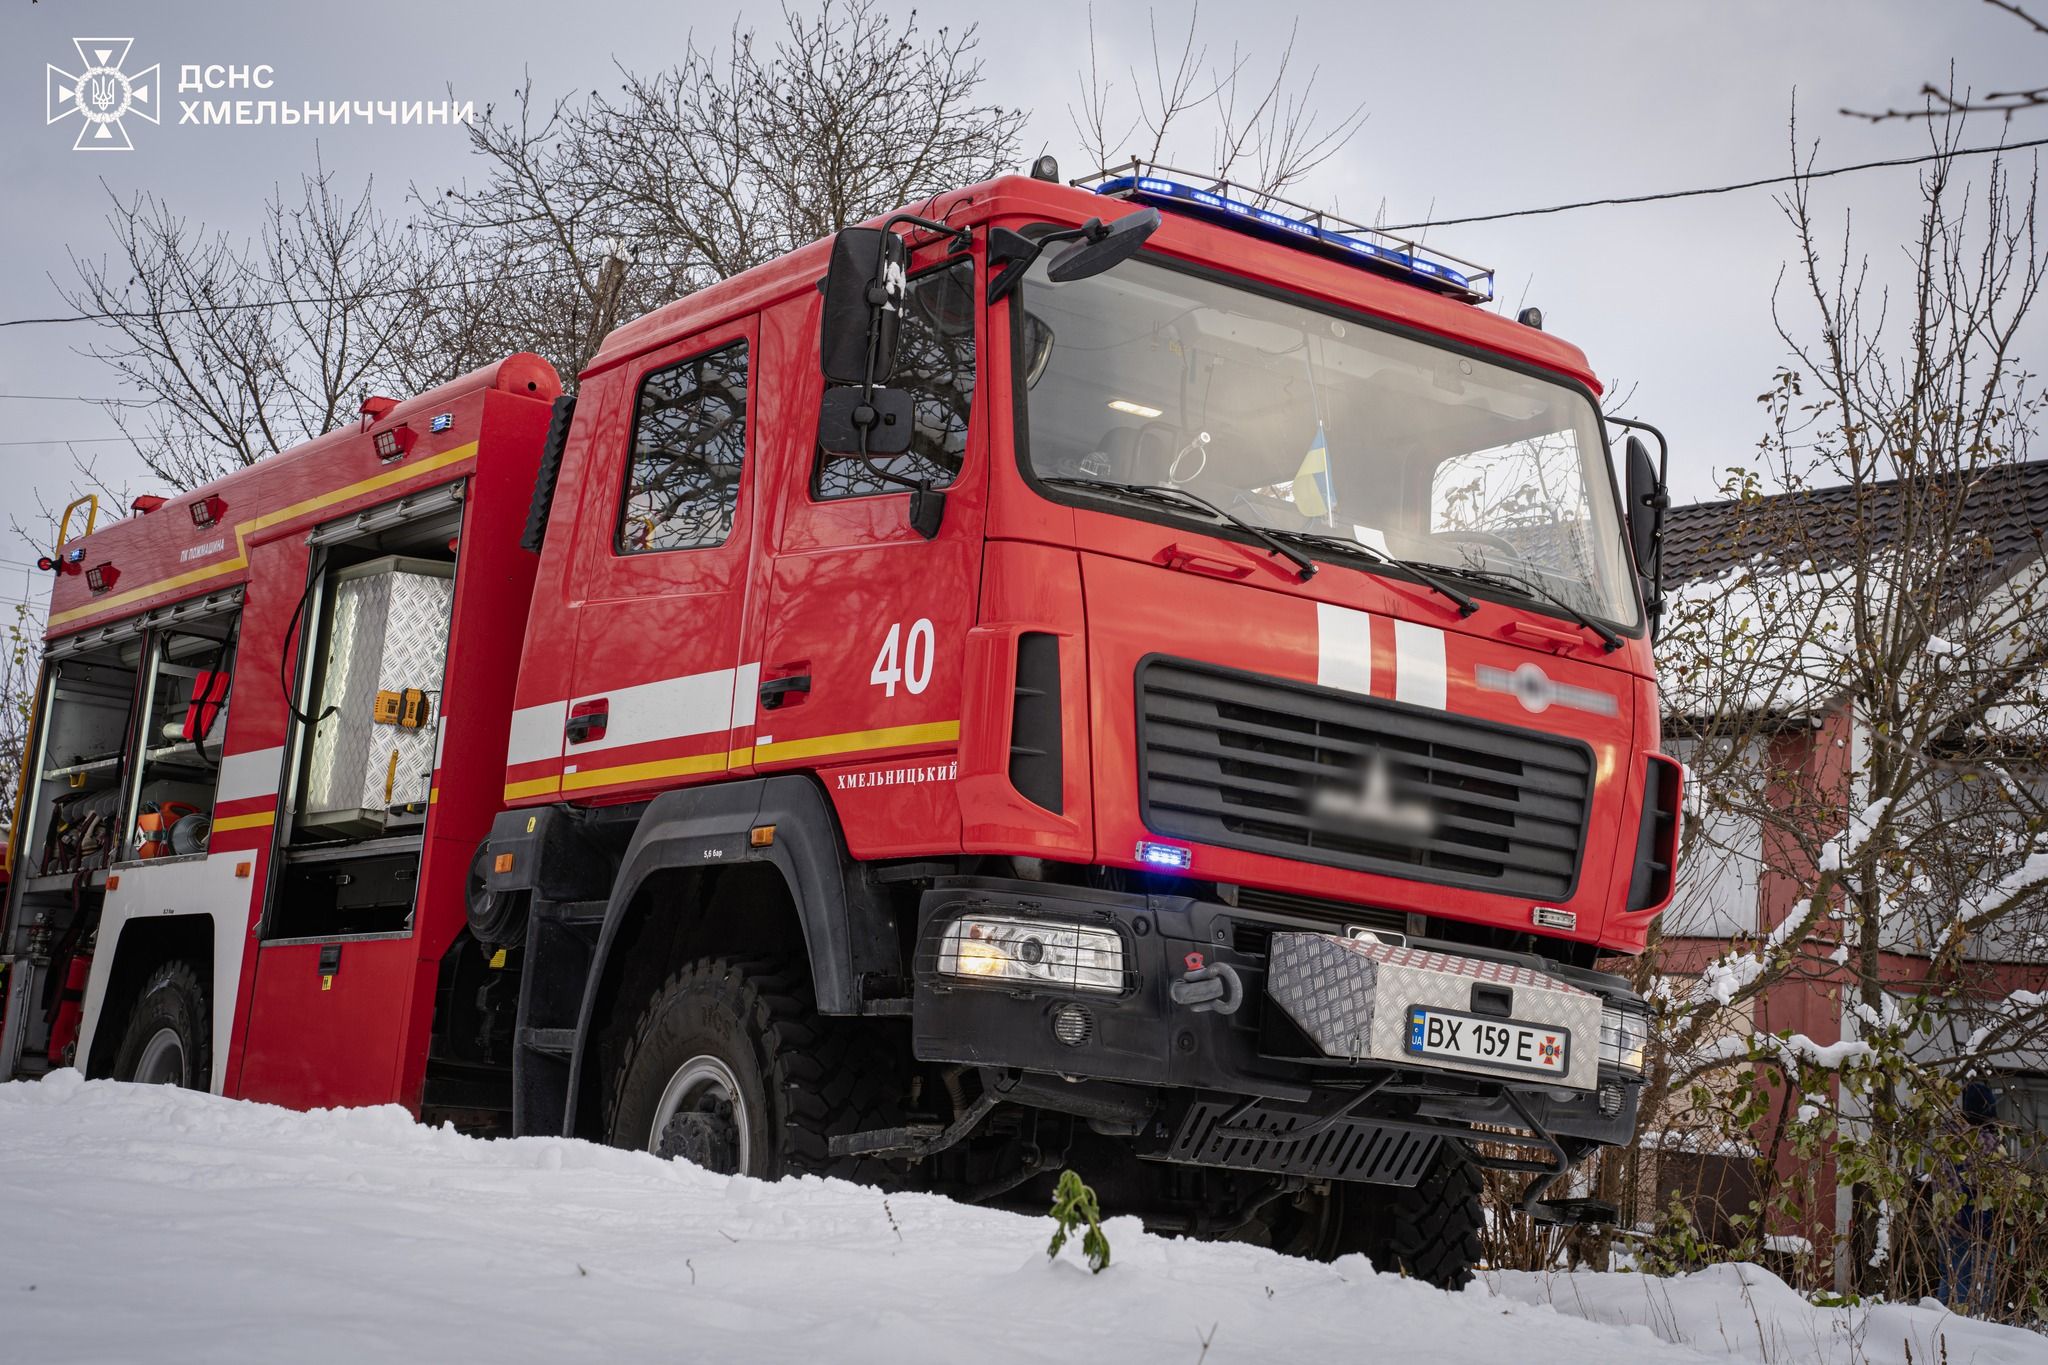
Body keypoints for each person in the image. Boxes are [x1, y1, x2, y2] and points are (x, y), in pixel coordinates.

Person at [1935, 1080, 2001, 1315]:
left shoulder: (1946, 1137)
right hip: (1978, 1222)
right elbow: (1997, 1181)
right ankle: (1970, 1326)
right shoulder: (1985, 1140)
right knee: (1976, 1282)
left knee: (1950, 1276)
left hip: (1947, 1220)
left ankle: (1939, 1323)